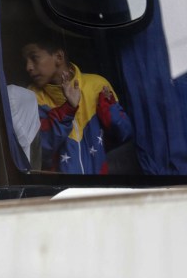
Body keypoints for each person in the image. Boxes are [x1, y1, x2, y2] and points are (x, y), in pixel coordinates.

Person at [22, 36, 132, 174]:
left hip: (100, 188)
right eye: (25, 61)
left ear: (59, 57)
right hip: (60, 191)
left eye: (34, 58)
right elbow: (39, 152)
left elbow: (123, 135)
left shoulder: (97, 85)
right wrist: (67, 110)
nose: (28, 67)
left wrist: (110, 112)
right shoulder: (31, 97)